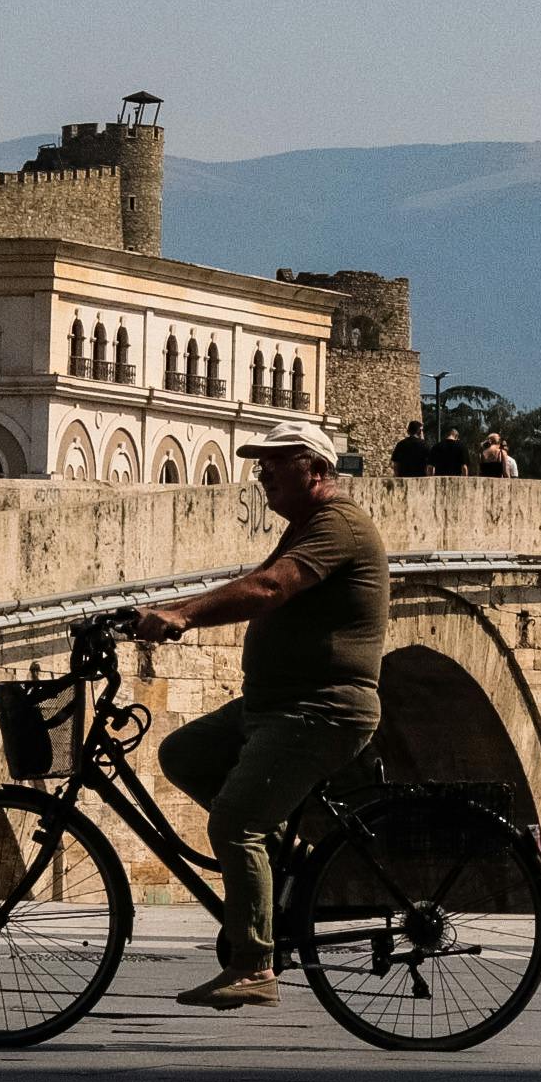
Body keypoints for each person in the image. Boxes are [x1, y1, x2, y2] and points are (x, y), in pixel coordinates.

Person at [132, 421, 387, 1011]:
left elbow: (270, 588)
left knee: (234, 824)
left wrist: (184, 615)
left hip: (321, 708)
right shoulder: (303, 526)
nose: (261, 471)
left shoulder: (338, 524)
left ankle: (253, 964)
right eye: (259, 461)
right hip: (271, 705)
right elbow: (257, 582)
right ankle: (285, 870)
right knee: (184, 754)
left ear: (316, 470)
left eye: (276, 461)